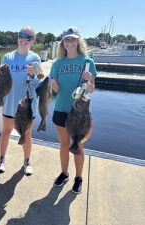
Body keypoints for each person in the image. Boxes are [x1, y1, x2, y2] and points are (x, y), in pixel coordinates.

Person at [49, 27, 97, 194]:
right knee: (64, 145)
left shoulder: (87, 61)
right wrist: (52, 83)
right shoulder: (57, 63)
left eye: (73, 39)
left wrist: (90, 80)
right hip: (61, 109)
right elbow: (54, 89)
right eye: (67, 40)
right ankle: (64, 173)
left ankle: (78, 178)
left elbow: (91, 90)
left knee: (78, 146)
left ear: (78, 41)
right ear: (63, 42)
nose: (70, 42)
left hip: (80, 112)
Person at [0, 26, 41, 176]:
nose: (24, 39)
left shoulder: (35, 58)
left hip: (27, 106)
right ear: (18, 37)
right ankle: (1, 160)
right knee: (5, 132)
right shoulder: (7, 57)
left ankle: (27, 162)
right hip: (9, 103)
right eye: (22, 35)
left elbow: (37, 84)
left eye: (29, 37)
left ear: (32, 42)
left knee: (26, 135)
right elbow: (1, 81)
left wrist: (32, 75)